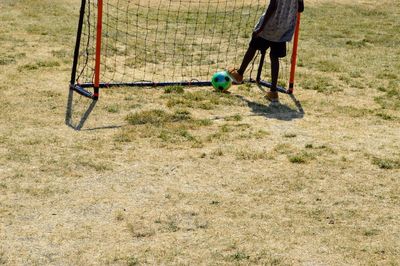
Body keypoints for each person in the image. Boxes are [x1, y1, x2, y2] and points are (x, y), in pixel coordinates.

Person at [228, 0, 304, 102]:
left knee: (253, 46)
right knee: (274, 57)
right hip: (284, 28)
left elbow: (272, 6)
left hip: (270, 25)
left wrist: (261, 28)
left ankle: (239, 74)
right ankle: (273, 91)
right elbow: (301, 8)